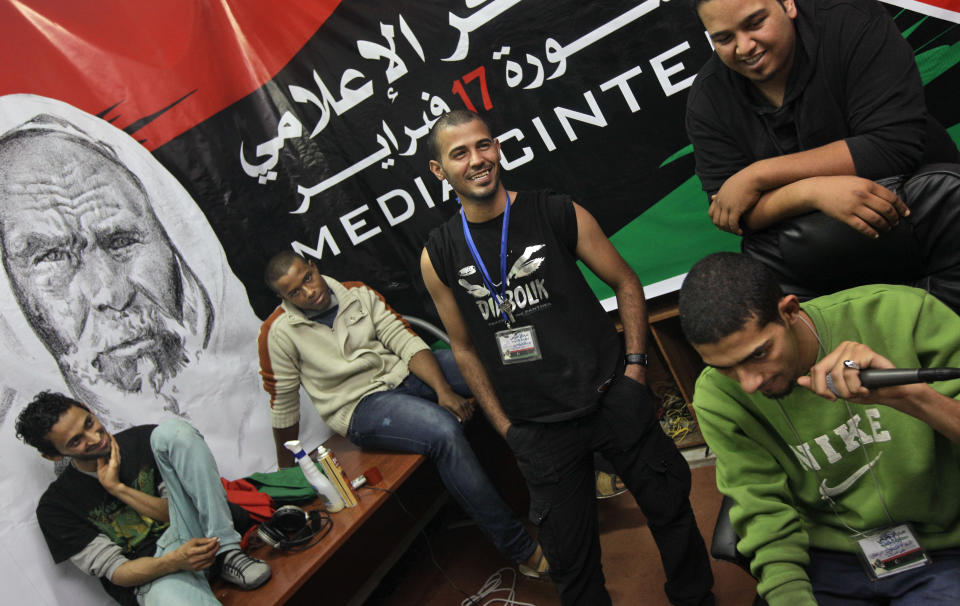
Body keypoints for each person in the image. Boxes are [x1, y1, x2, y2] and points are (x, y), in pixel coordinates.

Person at [420, 109, 714, 606]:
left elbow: (625, 282)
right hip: (537, 429)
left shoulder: (554, 211)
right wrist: (506, 427)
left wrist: (636, 370)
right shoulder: (440, 253)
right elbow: (464, 348)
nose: (478, 160)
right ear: (439, 171)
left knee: (672, 513)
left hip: (610, 398)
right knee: (572, 565)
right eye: (460, 153)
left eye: (484, 145)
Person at [678, 252, 960, 605]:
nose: (748, 383)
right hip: (831, 559)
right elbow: (762, 509)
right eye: (724, 367)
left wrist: (908, 397)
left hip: (943, 547)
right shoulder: (717, 396)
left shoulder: (903, 313)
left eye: (759, 354)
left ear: (790, 312)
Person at [257, 251, 546, 577]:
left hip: (406, 373)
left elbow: (404, 341)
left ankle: (556, 482)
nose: (308, 291)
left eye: (307, 278)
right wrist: (286, 476)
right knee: (442, 430)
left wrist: (443, 390)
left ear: (313, 267)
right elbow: (283, 403)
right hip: (360, 406)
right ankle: (520, 548)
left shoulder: (357, 293)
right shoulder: (278, 332)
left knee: (492, 365)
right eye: (295, 291)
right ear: (284, 298)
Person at [685, 0, 958, 238]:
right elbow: (730, 210)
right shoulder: (708, 97)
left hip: (930, 211)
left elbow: (892, 146)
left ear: (788, 3)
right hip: (820, 253)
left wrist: (759, 174)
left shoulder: (852, 20)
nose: (744, 47)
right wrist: (810, 191)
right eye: (724, 39)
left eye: (755, 23)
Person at [15, 391, 271, 606]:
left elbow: (178, 512)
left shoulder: (146, 441)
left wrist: (118, 489)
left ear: (87, 408)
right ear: (54, 455)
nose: (94, 438)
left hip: (204, 535)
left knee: (172, 432)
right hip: (156, 574)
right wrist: (174, 561)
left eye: (89, 423)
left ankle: (229, 553)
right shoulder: (56, 507)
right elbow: (118, 572)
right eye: (76, 442)